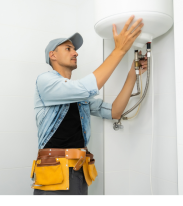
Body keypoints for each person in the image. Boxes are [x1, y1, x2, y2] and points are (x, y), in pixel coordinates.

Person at [32, 16, 147, 195]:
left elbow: (115, 111)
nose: (75, 52)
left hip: (78, 172)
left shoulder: (78, 97)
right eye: (68, 48)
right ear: (52, 55)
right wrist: (119, 50)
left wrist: (133, 72)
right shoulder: (45, 81)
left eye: (75, 49)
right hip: (54, 172)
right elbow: (87, 87)